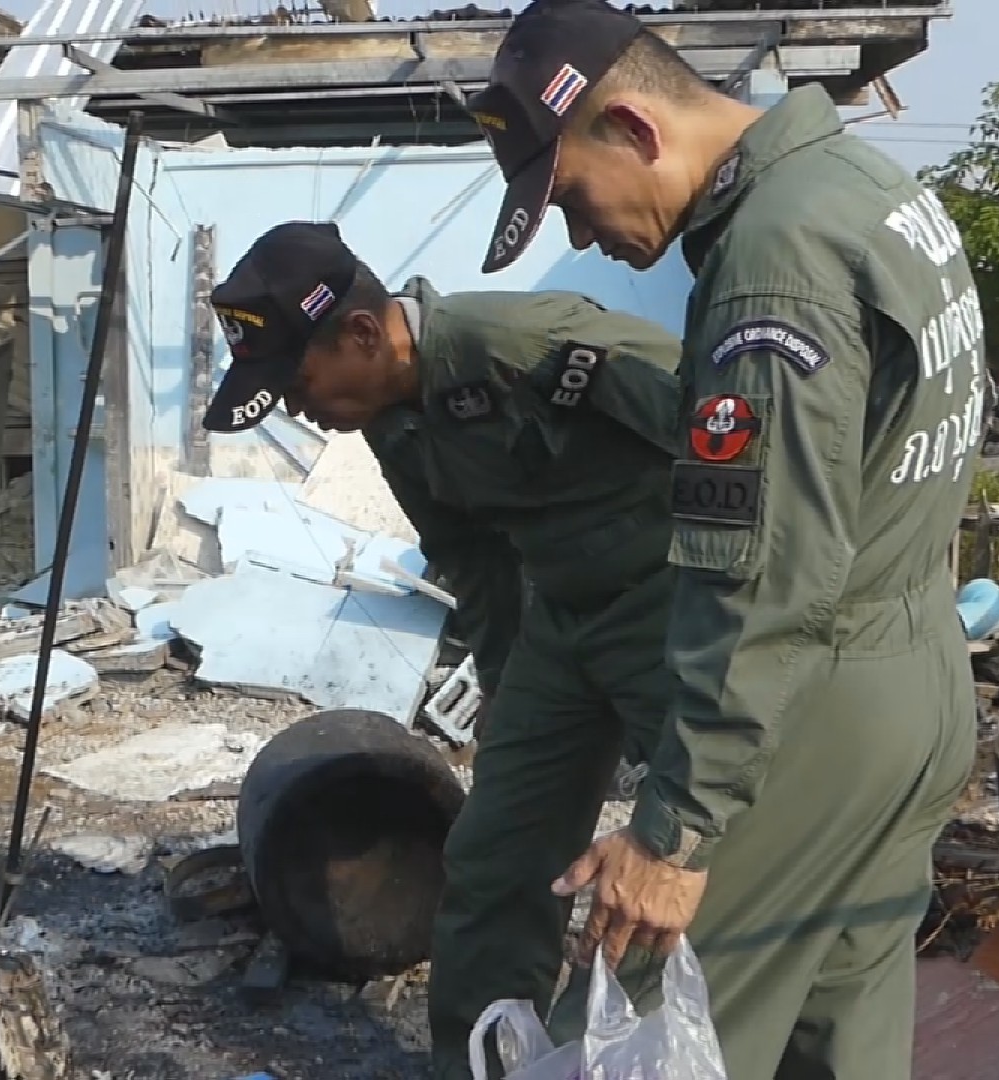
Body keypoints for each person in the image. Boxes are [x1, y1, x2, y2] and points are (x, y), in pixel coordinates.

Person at [462, 2, 985, 1078]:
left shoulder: (770, 259)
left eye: (570, 196)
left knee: (627, 1035)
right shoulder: (867, 190)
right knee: (834, 1038)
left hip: (820, 708)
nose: (578, 236)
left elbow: (762, 574)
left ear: (636, 131)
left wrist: (673, 832)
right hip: (921, 680)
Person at [198, 220, 695, 1080]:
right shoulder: (389, 417)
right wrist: (507, 693)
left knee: (680, 868)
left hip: (669, 613)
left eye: (297, 380)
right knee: (492, 860)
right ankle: (484, 1067)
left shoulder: (525, 347)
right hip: (560, 629)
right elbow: (474, 560)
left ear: (362, 333)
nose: (296, 407)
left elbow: (731, 435)